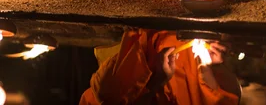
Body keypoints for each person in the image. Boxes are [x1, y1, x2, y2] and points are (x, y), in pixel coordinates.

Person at [79, 29, 240, 104]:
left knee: (109, 93)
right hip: (181, 75)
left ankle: (147, 34)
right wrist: (208, 64)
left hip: (142, 84)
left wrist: (156, 81)